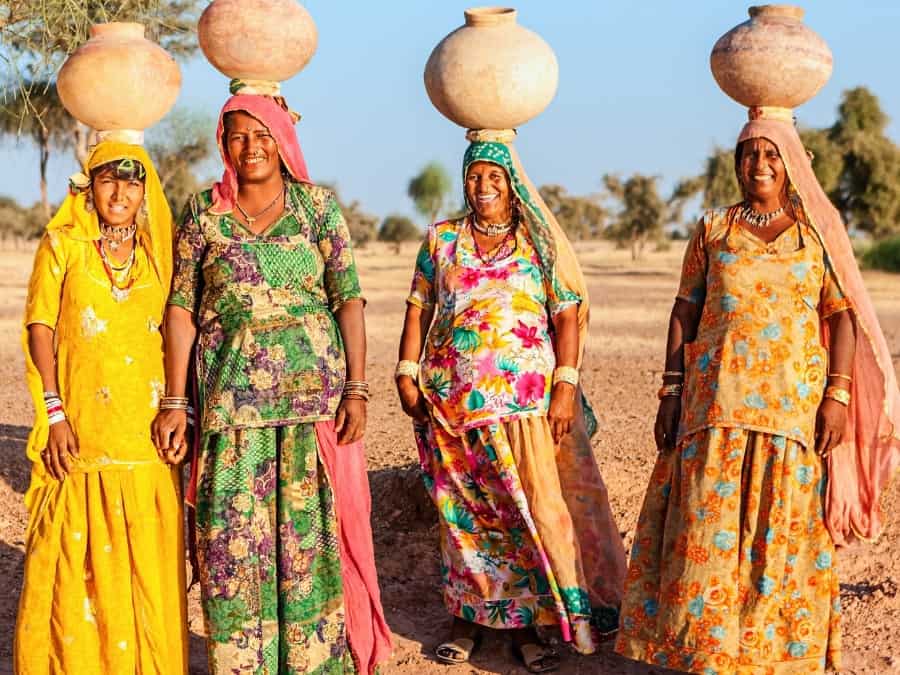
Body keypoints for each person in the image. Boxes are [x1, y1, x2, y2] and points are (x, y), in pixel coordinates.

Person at [615, 106, 900, 674]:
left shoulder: (814, 236)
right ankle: (701, 653)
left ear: (792, 163)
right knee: (703, 529)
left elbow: (841, 317)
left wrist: (837, 396)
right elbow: (685, 309)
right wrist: (670, 391)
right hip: (713, 410)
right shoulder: (713, 229)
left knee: (782, 538)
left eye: (771, 153)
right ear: (736, 163)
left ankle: (771, 658)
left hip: (791, 416)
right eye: (749, 154)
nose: (760, 164)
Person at [153, 83, 391, 674]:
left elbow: (349, 301)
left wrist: (357, 388)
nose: (250, 146)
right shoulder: (203, 213)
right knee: (231, 547)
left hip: (313, 411)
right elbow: (181, 308)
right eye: (238, 136)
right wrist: (176, 400)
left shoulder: (317, 208)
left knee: (306, 551)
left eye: (262, 134)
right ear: (223, 145)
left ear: (282, 140)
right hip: (230, 411)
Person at [396, 129, 627, 673]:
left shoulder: (536, 243)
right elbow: (417, 308)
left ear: (513, 183)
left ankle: (536, 626)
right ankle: (468, 622)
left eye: (494, 176)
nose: (483, 185)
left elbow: (566, 312)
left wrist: (565, 385)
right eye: (474, 175)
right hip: (452, 406)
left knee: (532, 514)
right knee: (466, 518)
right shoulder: (441, 240)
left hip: (526, 405)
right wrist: (407, 371)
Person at [15, 140, 188, 674]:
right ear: (90, 187)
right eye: (109, 180)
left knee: (145, 569)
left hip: (146, 438)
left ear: (144, 192)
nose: (121, 193)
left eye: (132, 183)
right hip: (81, 433)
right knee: (74, 561)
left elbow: (180, 327)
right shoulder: (63, 244)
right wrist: (54, 410)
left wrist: (180, 406)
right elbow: (40, 327)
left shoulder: (161, 254)